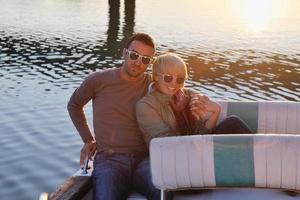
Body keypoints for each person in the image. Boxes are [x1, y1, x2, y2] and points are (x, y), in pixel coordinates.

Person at [67, 33, 160, 200]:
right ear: (124, 53)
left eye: (146, 59)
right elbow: (74, 105)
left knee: (165, 193)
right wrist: (88, 139)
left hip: (144, 160)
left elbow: (176, 89)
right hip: (110, 160)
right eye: (134, 55)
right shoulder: (98, 80)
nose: (138, 62)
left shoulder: (152, 85)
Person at [136, 53, 252, 147]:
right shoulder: (146, 106)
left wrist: (215, 111)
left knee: (233, 122)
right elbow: (166, 143)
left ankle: (260, 158)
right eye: (168, 77)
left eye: (180, 79)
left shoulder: (187, 96)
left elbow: (201, 133)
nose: (174, 83)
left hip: (196, 148)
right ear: (156, 76)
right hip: (173, 157)